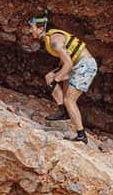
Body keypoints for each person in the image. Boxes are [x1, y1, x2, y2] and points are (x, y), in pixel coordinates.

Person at [26, 10, 97, 144]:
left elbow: (68, 63)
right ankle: (63, 111)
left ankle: (81, 135)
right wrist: (56, 74)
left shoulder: (54, 42)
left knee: (69, 99)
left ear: (40, 28)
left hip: (85, 66)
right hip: (77, 65)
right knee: (49, 77)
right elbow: (65, 60)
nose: (30, 31)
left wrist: (58, 77)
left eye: (32, 28)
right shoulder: (49, 40)